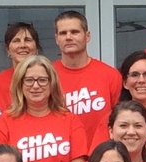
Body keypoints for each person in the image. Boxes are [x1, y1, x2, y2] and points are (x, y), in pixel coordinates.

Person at [51, 10, 123, 142]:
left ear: (87, 36)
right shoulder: (47, 76)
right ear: (56, 39)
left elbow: (121, 119)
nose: (68, 37)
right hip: (61, 156)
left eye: (74, 32)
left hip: (102, 156)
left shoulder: (110, 75)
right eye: (63, 33)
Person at [0, 21, 42, 106]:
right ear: (8, 50)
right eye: (16, 41)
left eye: (28, 40)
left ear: (36, 48)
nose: (22, 45)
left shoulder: (48, 79)